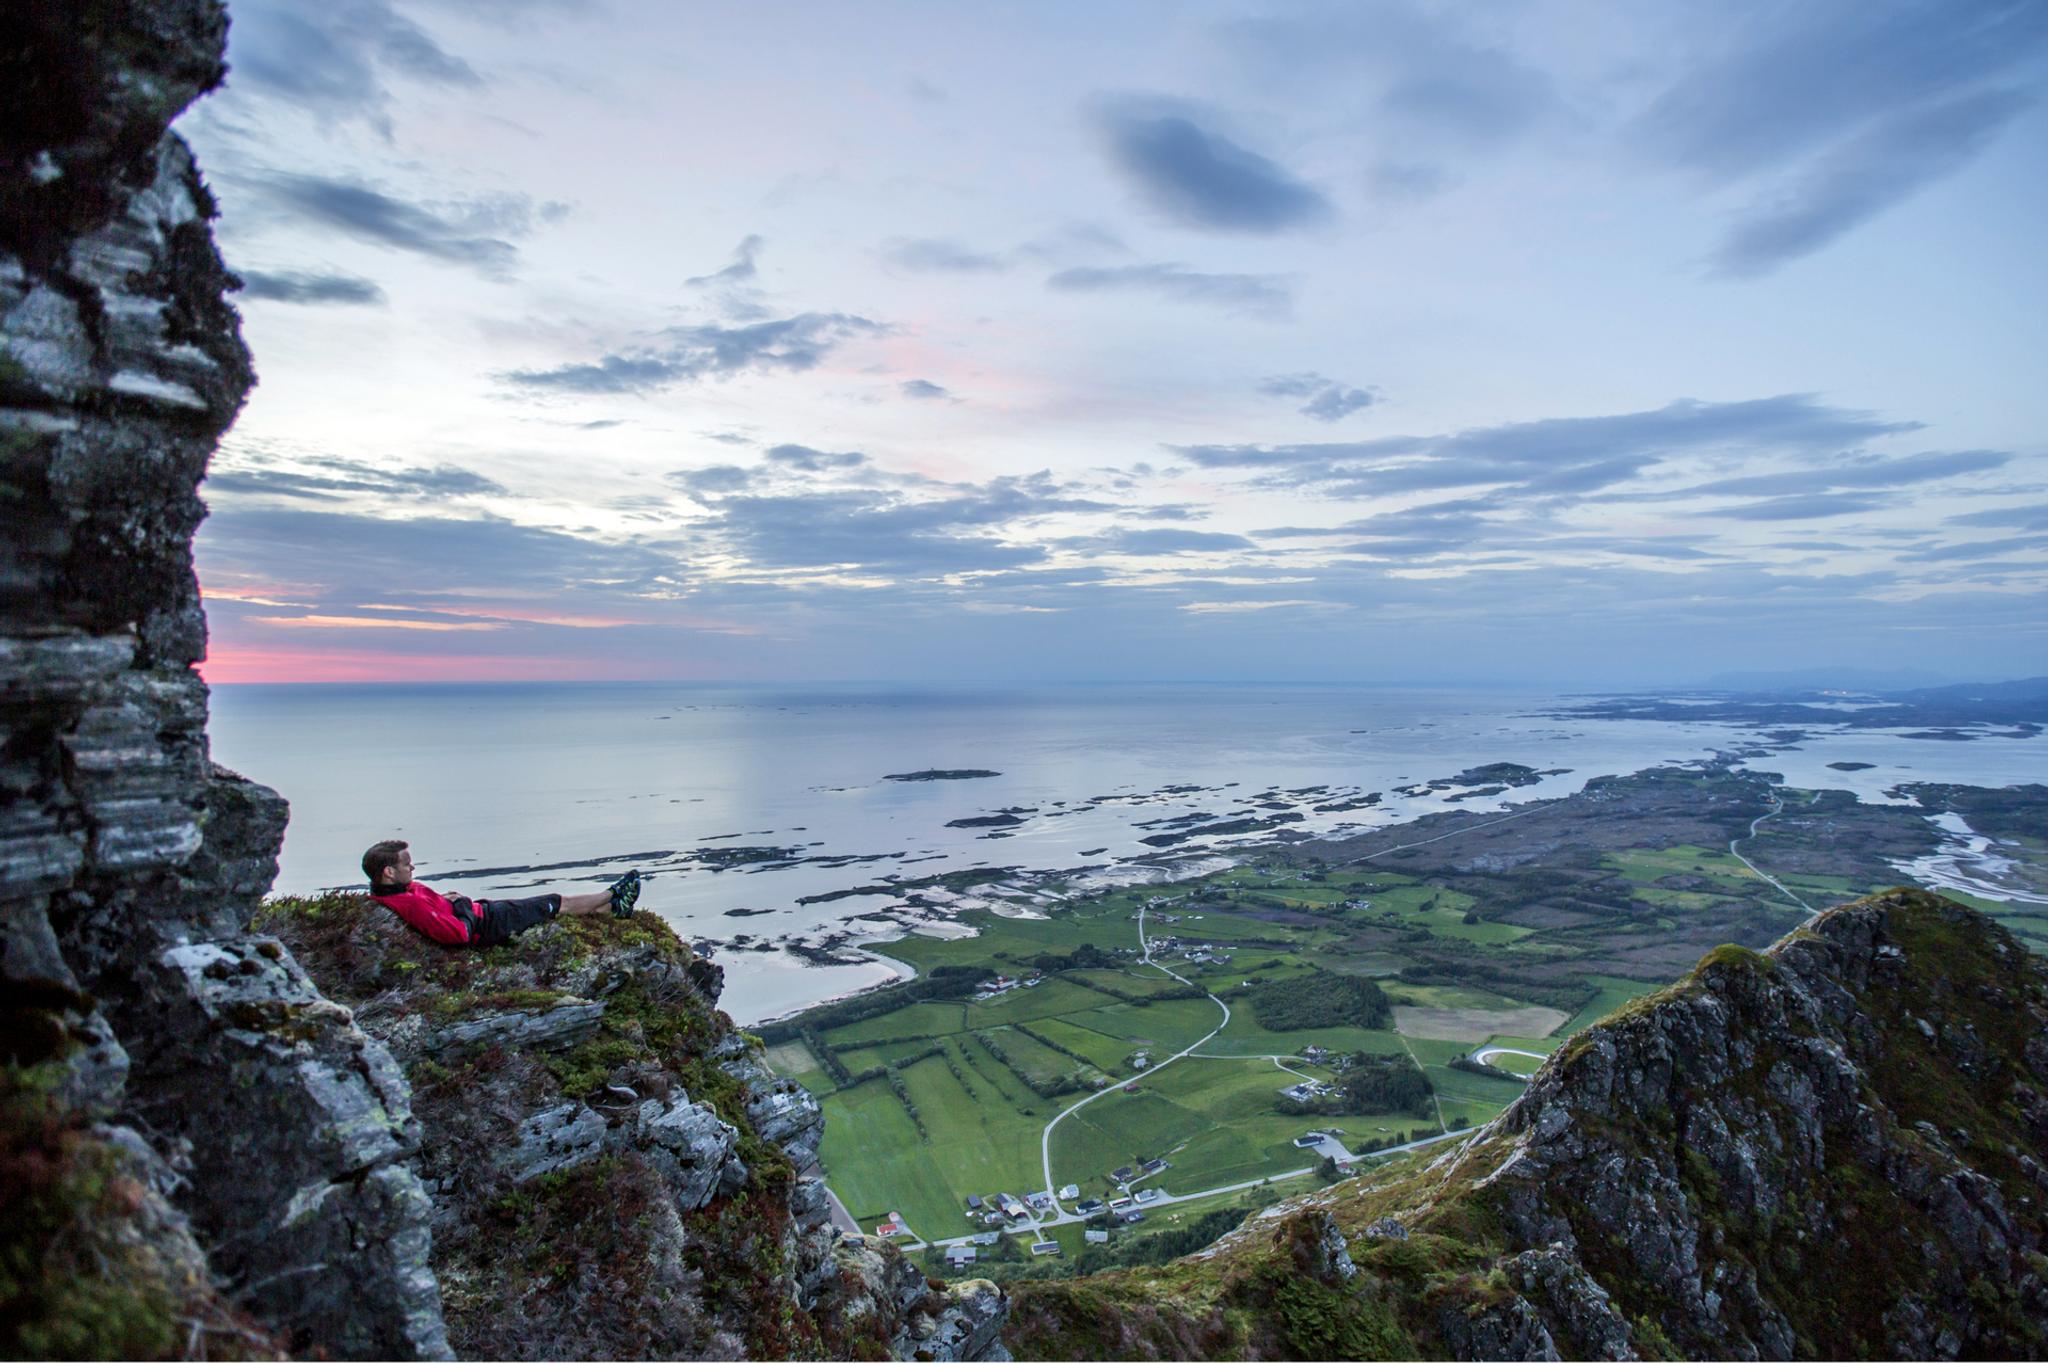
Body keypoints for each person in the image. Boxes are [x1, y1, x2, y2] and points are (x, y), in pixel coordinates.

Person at [362, 839, 642, 948]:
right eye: (405, 863)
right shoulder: (407, 903)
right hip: (489, 924)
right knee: (557, 904)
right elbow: (459, 934)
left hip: (486, 913)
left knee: (554, 905)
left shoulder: (404, 890)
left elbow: (435, 905)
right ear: (388, 872)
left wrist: (452, 901)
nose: (412, 866)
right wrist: (462, 908)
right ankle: (612, 895)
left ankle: (613, 909)